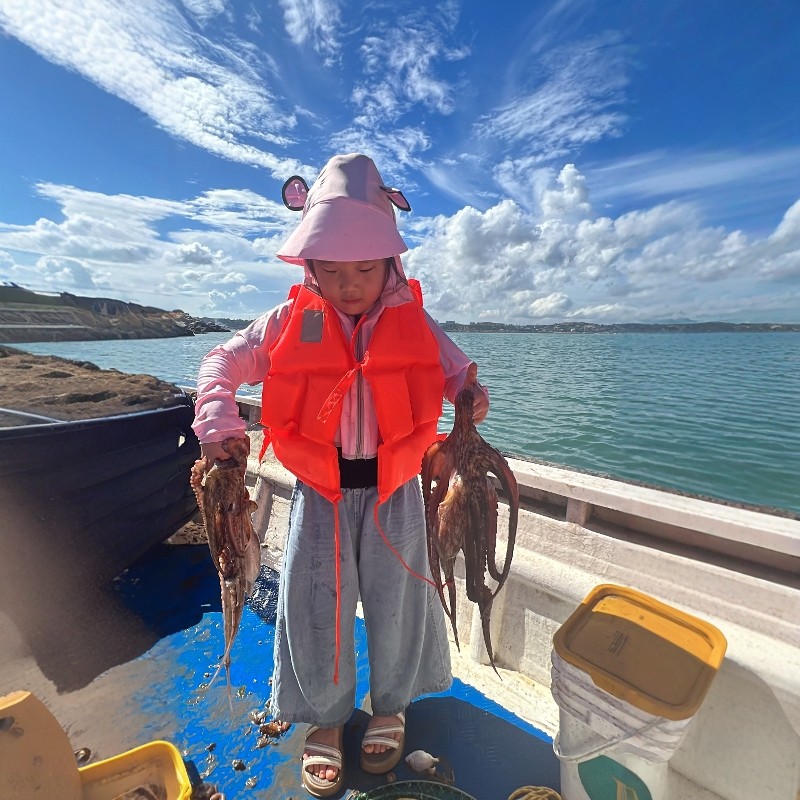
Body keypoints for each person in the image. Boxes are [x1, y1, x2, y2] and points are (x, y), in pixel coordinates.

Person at [192, 153, 489, 797]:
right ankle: (325, 719)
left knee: (398, 601)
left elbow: (460, 375)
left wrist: (471, 397)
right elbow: (222, 362)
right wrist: (217, 420)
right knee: (315, 606)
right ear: (308, 264)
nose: (348, 282)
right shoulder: (282, 324)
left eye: (363, 267)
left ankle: (391, 705)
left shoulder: (415, 320)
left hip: (397, 494)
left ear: (390, 263)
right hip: (319, 493)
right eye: (330, 268)